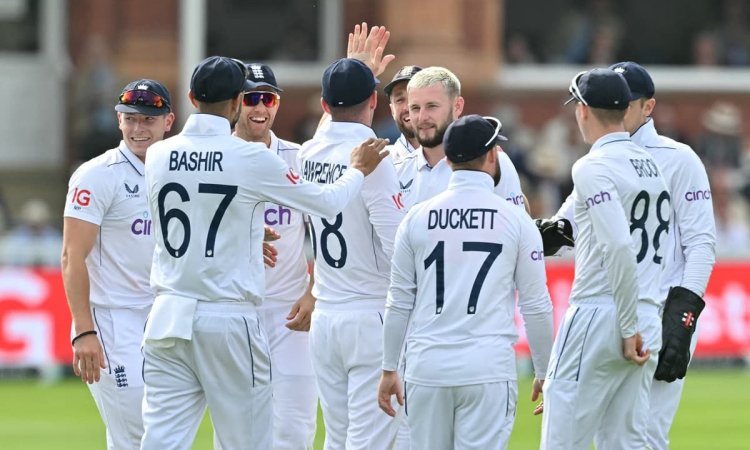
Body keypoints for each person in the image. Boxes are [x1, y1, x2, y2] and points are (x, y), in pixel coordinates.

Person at [140, 56, 389, 450]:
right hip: (227, 315)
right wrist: (357, 168)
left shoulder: (158, 154)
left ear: (191, 97)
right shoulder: (250, 157)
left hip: (168, 314)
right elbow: (325, 202)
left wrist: (242, 230)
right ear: (238, 102)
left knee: (160, 441)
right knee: (251, 441)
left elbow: (197, 211)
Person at [377, 114, 554, 449]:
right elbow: (536, 304)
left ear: (447, 159)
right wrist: (545, 371)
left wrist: (388, 368)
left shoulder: (416, 218)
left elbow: (398, 300)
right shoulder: (516, 219)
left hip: (426, 367)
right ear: (492, 156)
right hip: (487, 367)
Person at [539, 68, 667, 449]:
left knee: (561, 442)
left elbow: (618, 246)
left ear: (582, 111)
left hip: (602, 313)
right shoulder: (650, 165)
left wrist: (626, 329)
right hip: (646, 311)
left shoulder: (592, 166)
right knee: (626, 442)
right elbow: (563, 227)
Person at [606, 61, 716, 450]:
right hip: (609, 309)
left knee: (647, 434)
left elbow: (702, 244)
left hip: (661, 310)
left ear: (647, 107)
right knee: (609, 435)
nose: (615, 107)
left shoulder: (679, 158)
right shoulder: (599, 157)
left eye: (625, 101)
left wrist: (683, 316)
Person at [61, 79, 175, 450]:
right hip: (112, 321)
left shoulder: (177, 171)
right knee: (141, 434)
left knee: (144, 434)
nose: (138, 129)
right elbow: (70, 256)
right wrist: (84, 330)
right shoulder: (98, 174)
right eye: (130, 119)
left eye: (148, 120)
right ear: (118, 119)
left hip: (160, 315)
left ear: (168, 121)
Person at [298, 57, 406, 450]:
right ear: (374, 101)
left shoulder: (308, 153)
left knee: (338, 440)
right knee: (369, 442)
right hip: (371, 316)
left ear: (324, 105)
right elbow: (399, 247)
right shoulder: (374, 158)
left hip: (326, 317)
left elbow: (331, 132)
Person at [232, 62, 319, 449]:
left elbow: (328, 231)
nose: (259, 108)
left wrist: (314, 291)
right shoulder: (216, 159)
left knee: (295, 427)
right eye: (251, 98)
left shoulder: (299, 158)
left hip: (289, 313)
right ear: (235, 102)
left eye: (268, 98)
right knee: (236, 430)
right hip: (232, 310)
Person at [395, 66, 526, 212]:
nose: (422, 117)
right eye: (415, 108)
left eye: (432, 106)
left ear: (457, 106)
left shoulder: (495, 163)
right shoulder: (396, 172)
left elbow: (517, 228)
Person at [382, 65, 422, 162]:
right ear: (392, 110)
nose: (408, 107)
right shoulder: (381, 161)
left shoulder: (457, 159)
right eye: (400, 100)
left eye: (415, 96)